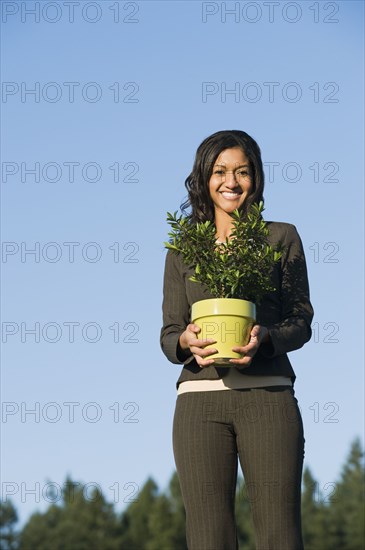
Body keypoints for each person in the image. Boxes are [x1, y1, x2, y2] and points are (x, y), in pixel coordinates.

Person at [160, 130, 314, 550]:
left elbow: (301, 321)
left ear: (256, 179)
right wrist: (185, 341)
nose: (232, 181)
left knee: (279, 536)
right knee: (208, 539)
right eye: (220, 171)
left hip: (269, 398)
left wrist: (265, 337)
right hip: (198, 404)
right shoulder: (182, 251)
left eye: (242, 172)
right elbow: (168, 332)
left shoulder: (281, 238)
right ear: (204, 180)